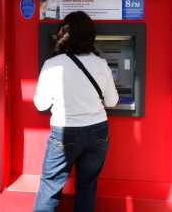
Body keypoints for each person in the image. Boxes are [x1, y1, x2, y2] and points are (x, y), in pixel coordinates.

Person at [33, 11, 119, 212]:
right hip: (98, 132)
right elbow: (113, 101)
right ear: (91, 36)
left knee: (50, 186)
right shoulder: (101, 64)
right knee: (87, 186)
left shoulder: (52, 65)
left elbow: (40, 104)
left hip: (65, 132)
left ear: (64, 34)